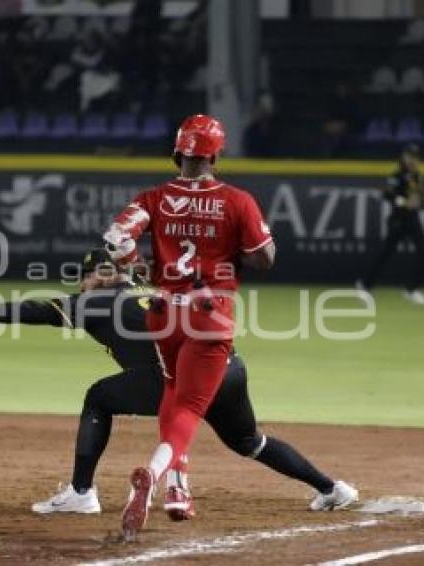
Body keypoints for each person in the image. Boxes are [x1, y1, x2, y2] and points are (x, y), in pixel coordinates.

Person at [0, 249, 357, 519]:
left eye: (86, 276)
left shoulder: (98, 299)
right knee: (249, 441)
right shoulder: (158, 291)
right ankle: (332, 488)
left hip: (175, 377)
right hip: (227, 368)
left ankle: (81, 493)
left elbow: (35, 311)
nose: (82, 284)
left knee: (98, 397)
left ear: (102, 275)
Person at [103, 114, 277, 539]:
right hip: (210, 311)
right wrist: (234, 247)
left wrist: (136, 268)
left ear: (178, 152)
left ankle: (178, 489)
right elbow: (264, 257)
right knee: (192, 408)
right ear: (216, 154)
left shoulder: (154, 197)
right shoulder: (237, 200)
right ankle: (154, 473)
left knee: (172, 391)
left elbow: (115, 238)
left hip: (163, 310)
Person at [357, 144, 424, 305]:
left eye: (415, 157)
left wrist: (423, 202)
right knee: (385, 254)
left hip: (412, 219)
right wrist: (405, 202)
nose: (413, 160)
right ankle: (364, 286)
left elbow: (422, 199)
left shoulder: (418, 176)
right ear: (403, 157)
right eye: (409, 156)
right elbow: (388, 196)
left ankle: (411, 290)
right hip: (398, 219)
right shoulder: (396, 176)